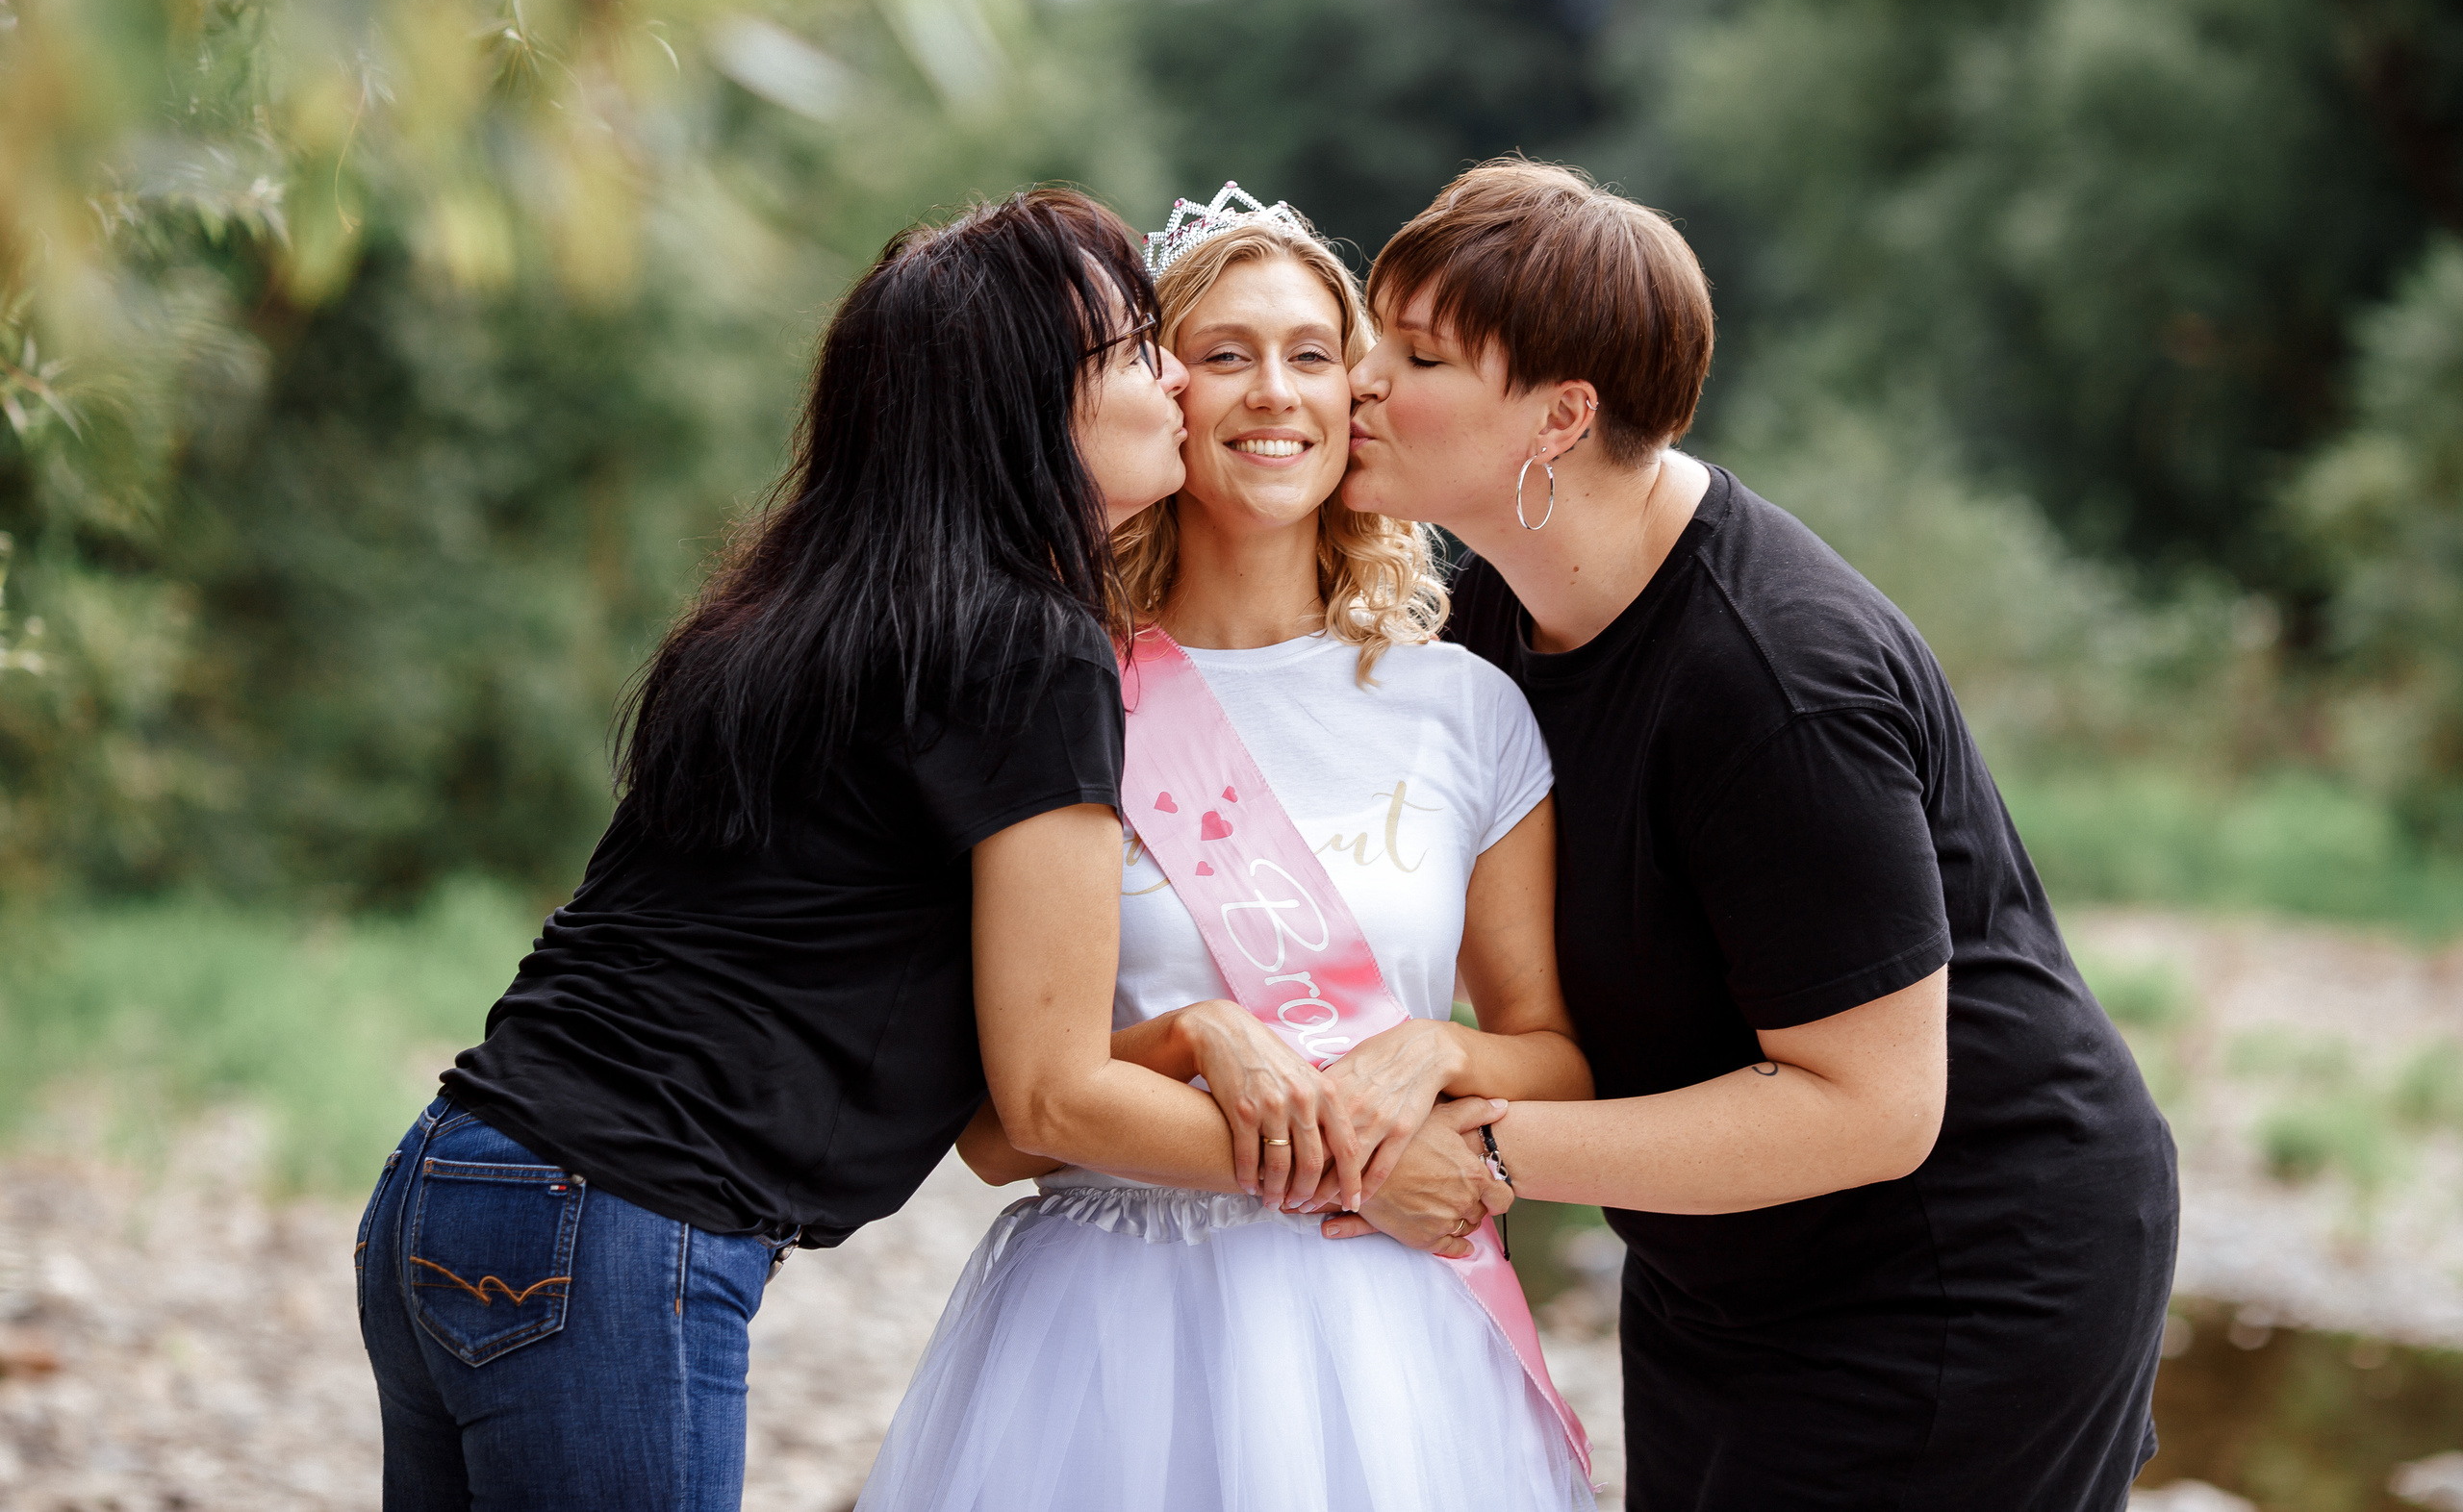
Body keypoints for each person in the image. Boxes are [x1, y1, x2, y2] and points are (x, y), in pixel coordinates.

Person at [353, 187, 1287, 1511]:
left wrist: (1191, 1031)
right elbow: (1054, 1101)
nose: (1180, 379)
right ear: (1031, 405)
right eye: (1139, 352)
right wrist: (1364, 1174)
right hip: (617, 1222)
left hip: (450, 1176)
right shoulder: (1033, 650)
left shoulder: (788, 613)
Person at [1333, 158, 2180, 1510]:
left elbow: (1877, 1108)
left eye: (1418, 356)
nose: (1359, 380)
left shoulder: (1775, 681)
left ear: (1562, 415)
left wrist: (1488, 1155)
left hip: (1962, 1266)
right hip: (1720, 1261)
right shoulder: (1495, 625)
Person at [855, 185, 1599, 1512]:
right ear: (1163, 393)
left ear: (1354, 396)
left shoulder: (1464, 709)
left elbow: (1554, 1054)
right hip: (1109, 1334)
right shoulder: (1054, 694)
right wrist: (1197, 1038)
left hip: (1388, 1332)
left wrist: (1434, 1051)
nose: (1274, 392)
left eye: (1311, 354)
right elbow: (998, 1135)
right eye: (1224, 353)